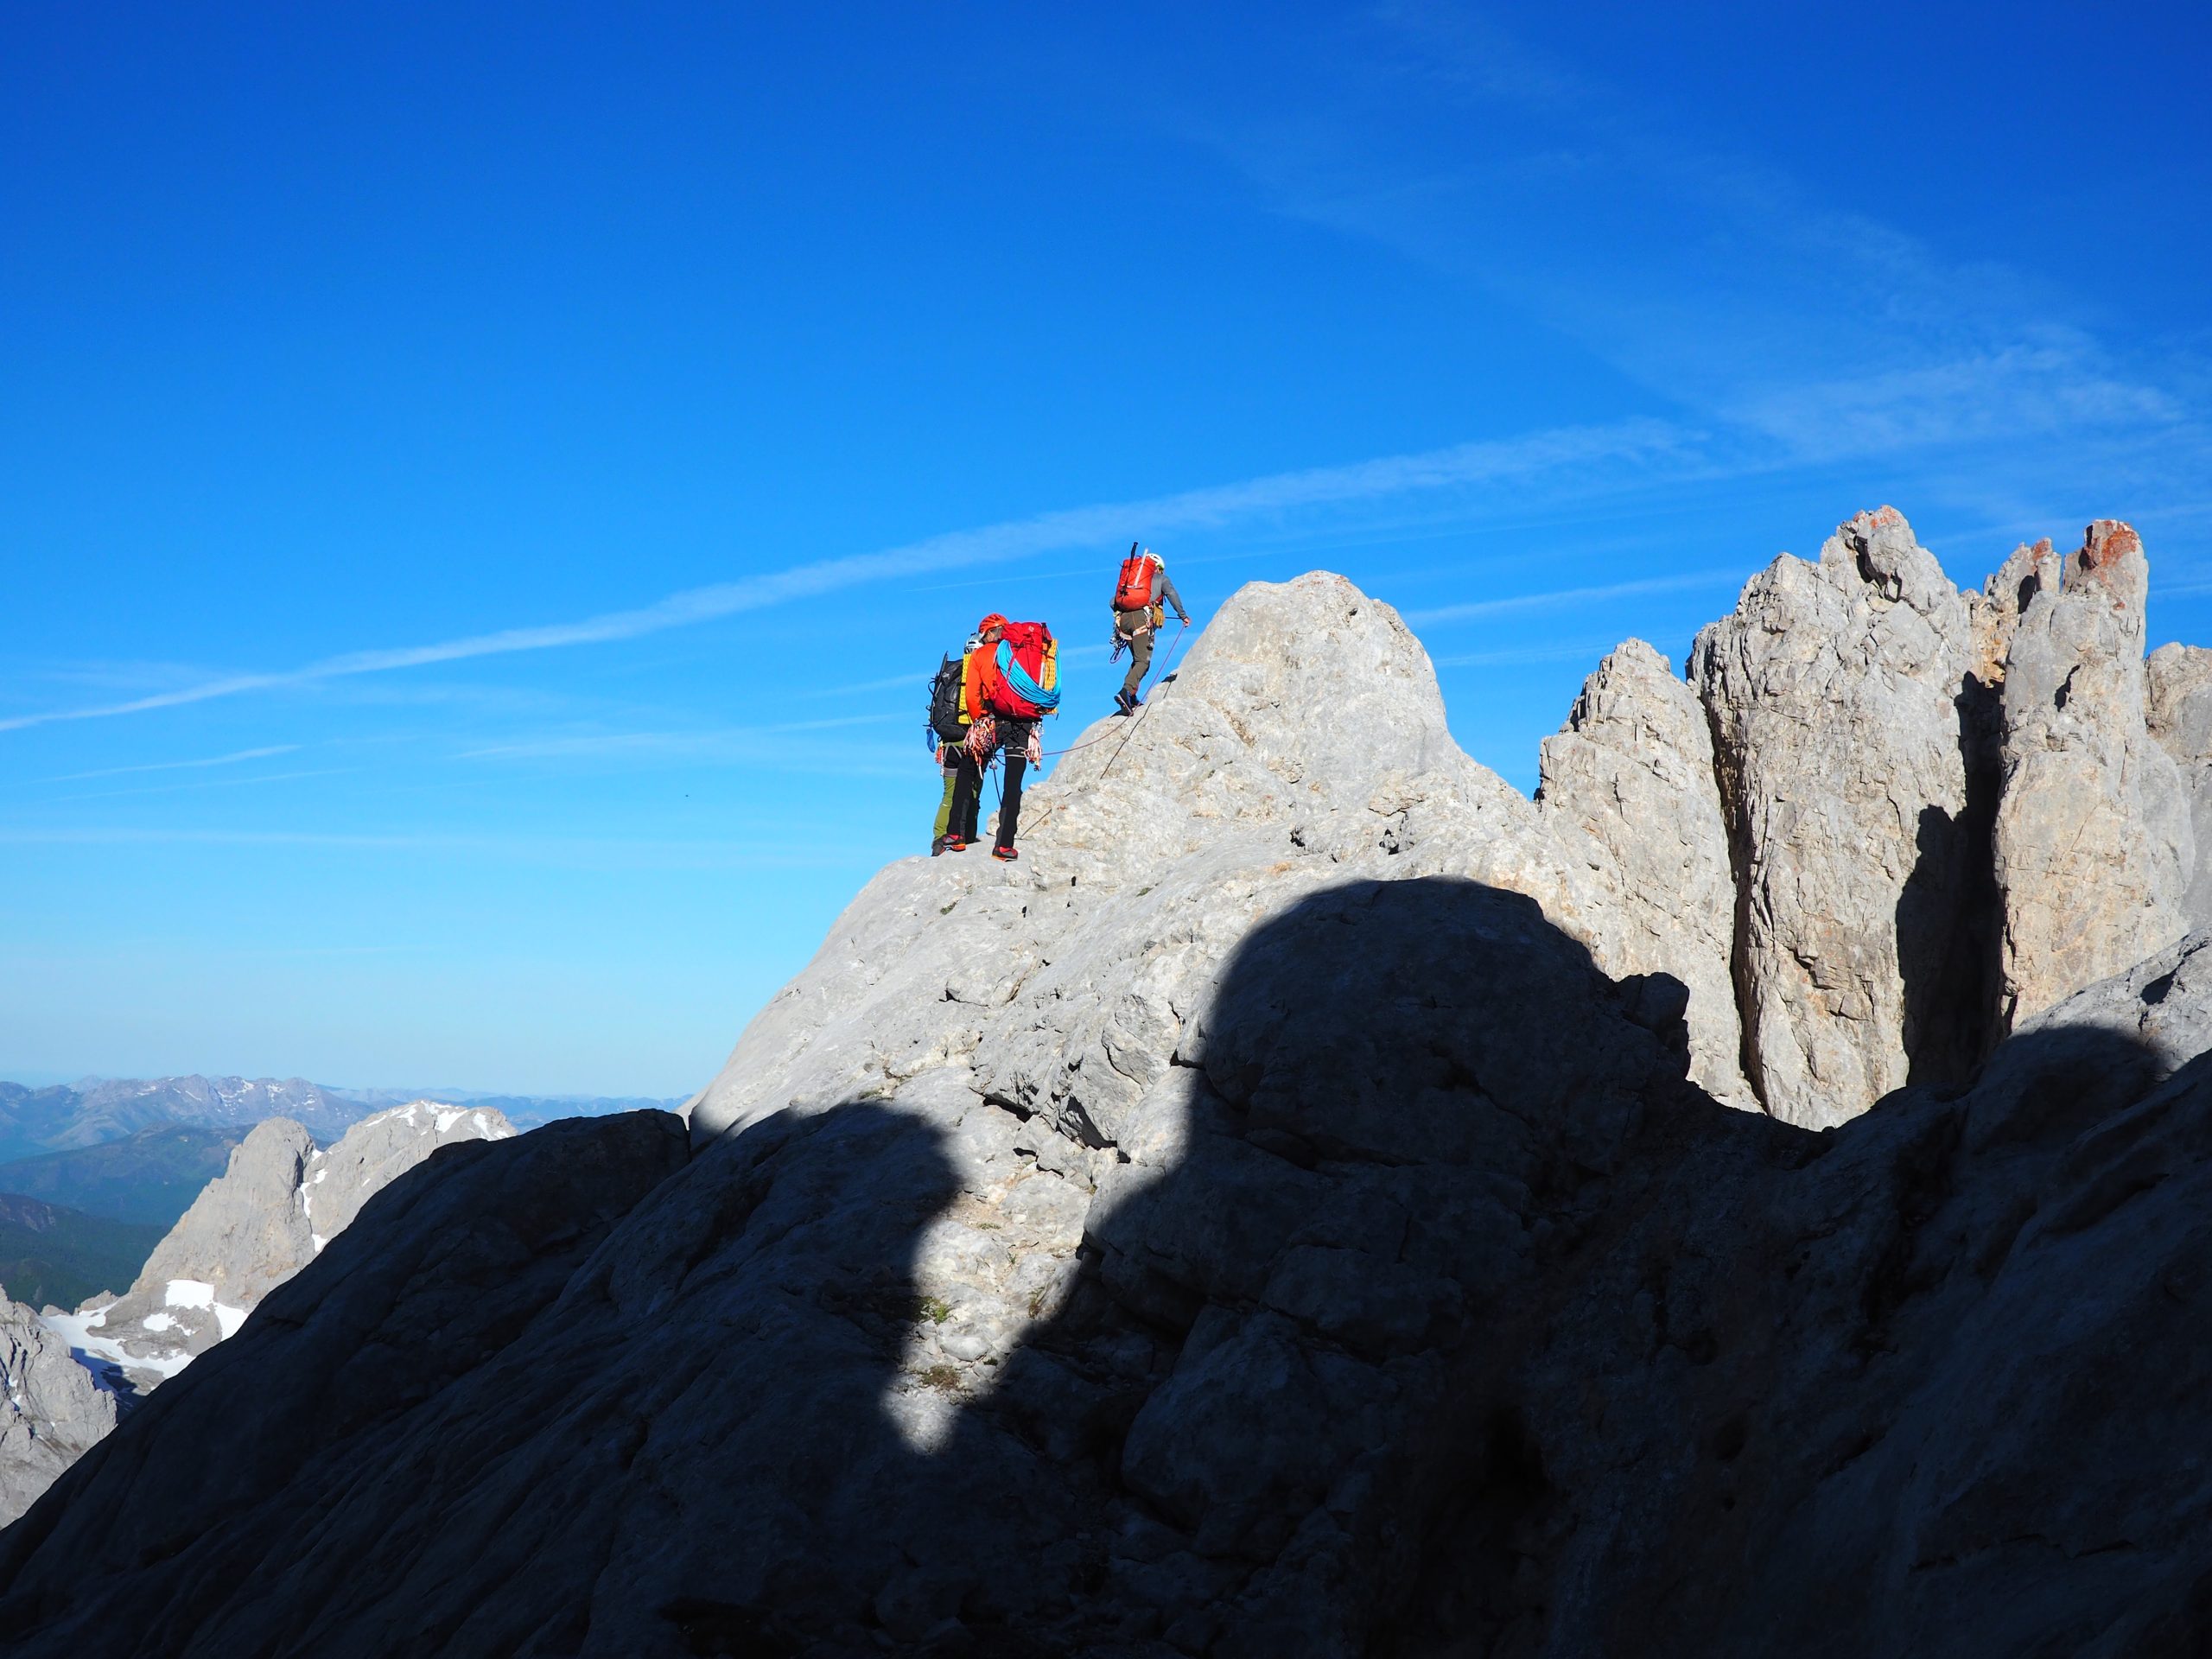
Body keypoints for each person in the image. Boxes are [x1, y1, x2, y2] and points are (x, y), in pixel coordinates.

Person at [942, 614, 1007, 855]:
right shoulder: (1002, 657)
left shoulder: (960, 668)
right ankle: (976, 838)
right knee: (978, 789)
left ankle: (947, 839)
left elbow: (968, 697)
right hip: (994, 726)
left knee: (954, 789)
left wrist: (979, 719)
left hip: (953, 736)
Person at [1109, 543, 1189, 715]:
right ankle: (1126, 692)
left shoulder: (1132, 583)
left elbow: (1112, 602)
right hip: (1141, 620)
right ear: (1158, 567)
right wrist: (1183, 616)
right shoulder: (1162, 579)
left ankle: (1131, 695)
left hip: (1123, 622)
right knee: (1143, 661)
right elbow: (1172, 595)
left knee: (1138, 660)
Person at [928, 626, 986, 855]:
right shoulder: (980, 673)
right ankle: (967, 839)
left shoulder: (951, 672)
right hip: (973, 743)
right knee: (972, 795)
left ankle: (939, 839)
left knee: (949, 795)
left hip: (948, 743)